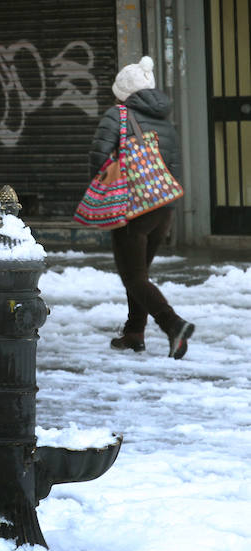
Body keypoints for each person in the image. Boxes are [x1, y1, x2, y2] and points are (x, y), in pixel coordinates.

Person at [88, 56, 194, 359]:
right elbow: (172, 166)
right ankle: (134, 333)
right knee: (138, 274)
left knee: (133, 276)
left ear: (121, 91)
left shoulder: (116, 115)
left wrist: (102, 191)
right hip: (164, 206)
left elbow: (98, 157)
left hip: (132, 207)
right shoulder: (165, 121)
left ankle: (174, 325)